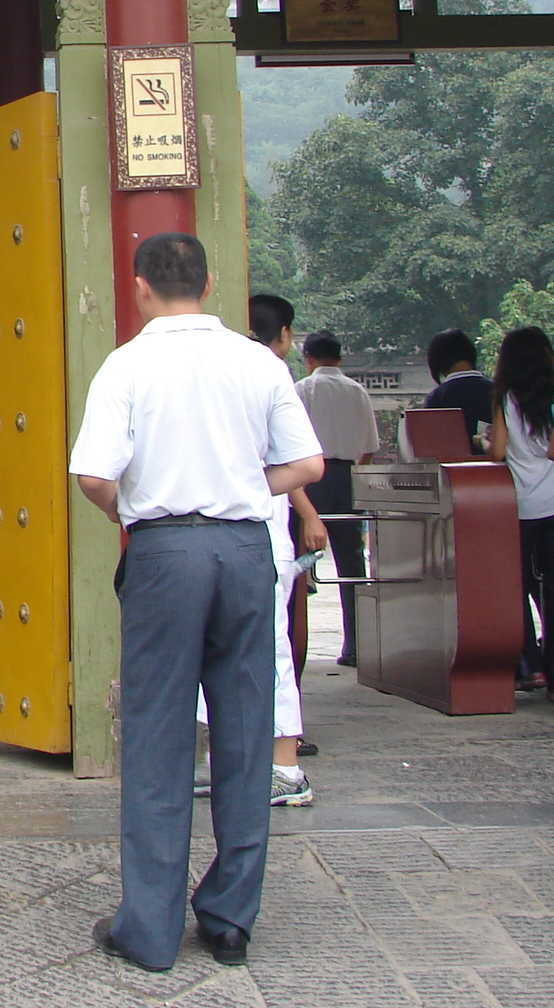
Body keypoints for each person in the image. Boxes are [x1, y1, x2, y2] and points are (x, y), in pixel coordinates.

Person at [70, 234, 323, 973]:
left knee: (158, 734)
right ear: (210, 284)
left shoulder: (127, 365)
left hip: (164, 551)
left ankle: (150, 929)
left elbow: (93, 475)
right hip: (244, 549)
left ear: (140, 286)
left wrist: (134, 510)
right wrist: (241, 485)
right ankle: (230, 918)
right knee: (245, 731)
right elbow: (307, 463)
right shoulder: (258, 361)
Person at [239, 294, 329, 795]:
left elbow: (296, 462)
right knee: (264, 649)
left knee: (259, 650)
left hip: (250, 530)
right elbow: (301, 462)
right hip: (258, 530)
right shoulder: (270, 373)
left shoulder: (237, 371)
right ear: (286, 335)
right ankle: (252, 763)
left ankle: (284, 768)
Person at [489, 325, 554, 703]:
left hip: (521, 504)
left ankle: (532, 666)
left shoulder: (505, 398)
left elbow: (497, 453)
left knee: (517, 585)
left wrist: (483, 441)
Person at [294, 332, 378, 668]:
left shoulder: (303, 389)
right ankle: (356, 644)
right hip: (348, 476)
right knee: (352, 563)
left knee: (298, 561)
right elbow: (369, 447)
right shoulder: (357, 391)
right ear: (340, 359)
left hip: (310, 479)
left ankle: (295, 641)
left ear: (308, 359)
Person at [424, 329, 494, 454]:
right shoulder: (499, 392)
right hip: (499, 465)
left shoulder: (436, 399)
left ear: (436, 362)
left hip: (452, 466)